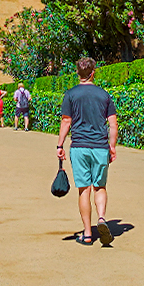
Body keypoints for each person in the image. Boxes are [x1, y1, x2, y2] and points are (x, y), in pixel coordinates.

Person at [56, 57, 117, 247]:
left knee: (84, 189)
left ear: (78, 73)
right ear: (93, 72)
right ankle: (101, 218)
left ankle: (88, 234)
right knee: (100, 186)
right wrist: (112, 146)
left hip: (80, 146)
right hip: (100, 146)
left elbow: (66, 121)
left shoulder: (71, 94)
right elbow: (113, 124)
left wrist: (60, 145)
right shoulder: (104, 95)